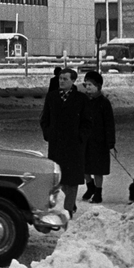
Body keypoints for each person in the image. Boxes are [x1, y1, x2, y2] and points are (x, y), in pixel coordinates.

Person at [39, 66, 88, 218]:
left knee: (72, 179)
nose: (62, 81)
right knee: (57, 178)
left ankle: (68, 210)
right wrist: (48, 133)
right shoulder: (52, 97)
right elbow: (44, 118)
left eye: (65, 79)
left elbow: (87, 122)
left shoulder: (81, 99)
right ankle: (59, 207)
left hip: (74, 145)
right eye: (60, 78)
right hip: (56, 144)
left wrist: (81, 137)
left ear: (73, 81)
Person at [80, 70, 115, 203]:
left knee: (97, 168)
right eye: (86, 84)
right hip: (84, 139)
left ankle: (98, 191)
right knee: (83, 165)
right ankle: (90, 186)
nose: (88, 87)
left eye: (91, 85)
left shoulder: (104, 103)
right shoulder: (83, 101)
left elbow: (109, 123)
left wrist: (110, 141)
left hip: (99, 141)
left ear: (98, 86)